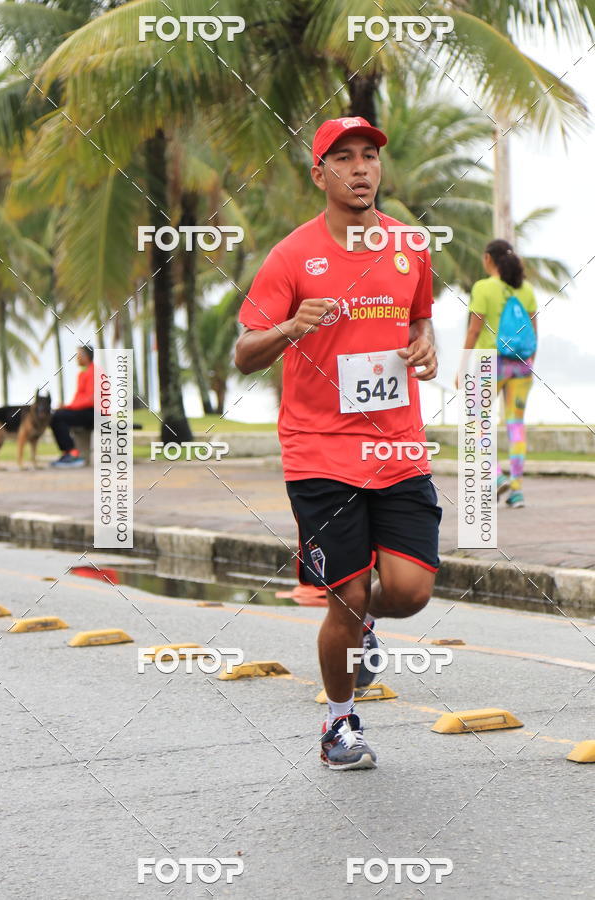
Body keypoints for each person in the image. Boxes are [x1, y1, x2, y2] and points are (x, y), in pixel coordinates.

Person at [235, 117, 442, 770]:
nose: (360, 169)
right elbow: (245, 353)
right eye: (343, 158)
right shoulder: (292, 256)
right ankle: (336, 725)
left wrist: (427, 344)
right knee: (345, 596)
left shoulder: (411, 245)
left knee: (409, 591)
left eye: (369, 157)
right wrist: (292, 327)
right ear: (318, 174)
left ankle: (364, 626)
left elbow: (420, 317)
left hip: (398, 447)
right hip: (320, 451)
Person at [461, 240, 537, 508]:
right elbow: (533, 330)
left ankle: (495, 476)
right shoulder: (525, 289)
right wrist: (529, 363)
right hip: (521, 364)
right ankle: (516, 491)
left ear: (488, 259)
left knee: (477, 421)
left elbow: (473, 331)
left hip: (489, 363)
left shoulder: (483, 287)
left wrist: (462, 367)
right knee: (516, 424)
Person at [50, 344, 95, 468]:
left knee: (58, 417)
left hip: (93, 412)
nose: (77, 358)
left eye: (78, 355)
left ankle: (72, 453)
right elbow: (78, 399)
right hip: (83, 411)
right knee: (55, 416)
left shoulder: (94, 372)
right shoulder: (82, 374)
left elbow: (91, 399)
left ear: (86, 357)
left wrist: (68, 407)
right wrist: (67, 406)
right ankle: (68, 453)